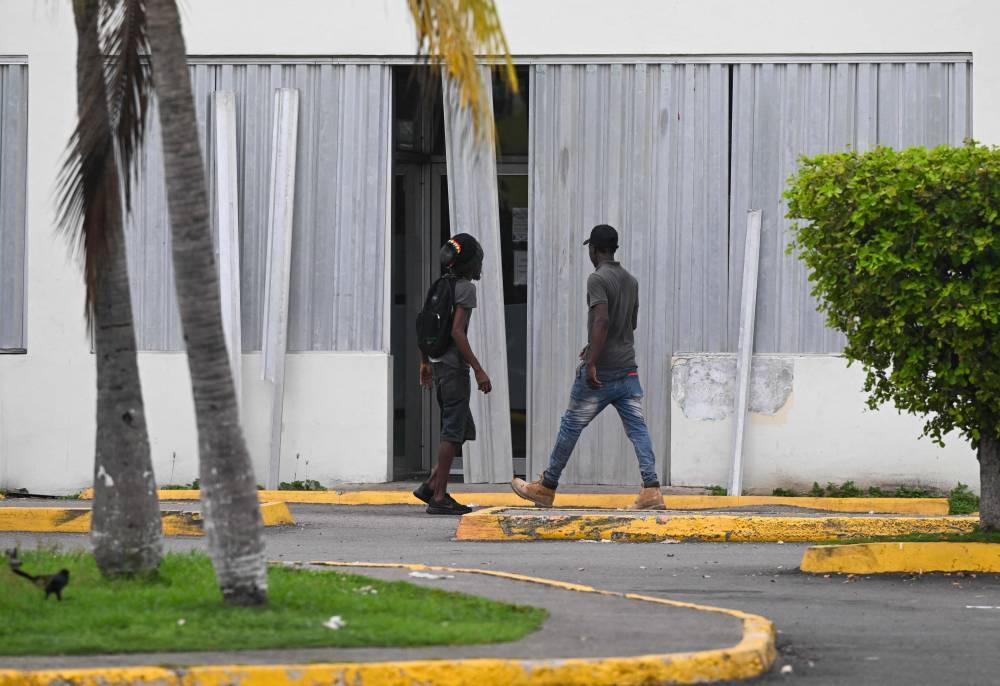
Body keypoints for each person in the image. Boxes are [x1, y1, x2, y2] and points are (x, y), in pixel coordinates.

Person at [511, 224, 665, 510]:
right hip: (628, 369)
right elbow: (628, 326)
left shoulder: (597, 278)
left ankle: (546, 487)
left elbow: (602, 321)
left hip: (602, 373)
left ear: (594, 250)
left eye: (590, 249)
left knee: (571, 425)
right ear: (614, 248)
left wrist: (592, 361)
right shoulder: (631, 281)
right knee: (637, 428)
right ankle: (652, 489)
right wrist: (593, 345)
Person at [413, 233, 493, 515]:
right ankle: (439, 496)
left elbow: (422, 324)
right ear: (469, 263)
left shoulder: (440, 284)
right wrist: (479, 369)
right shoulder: (465, 289)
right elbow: (457, 332)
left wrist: (425, 363)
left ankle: (429, 485)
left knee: (461, 429)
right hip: (453, 369)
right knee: (452, 431)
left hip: (438, 365)